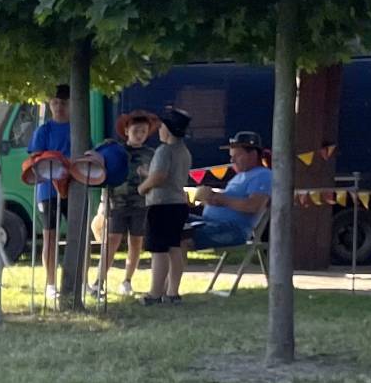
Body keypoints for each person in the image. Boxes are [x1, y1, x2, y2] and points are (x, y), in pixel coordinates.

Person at [93, 107, 157, 300]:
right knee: (111, 241)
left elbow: (157, 177)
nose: (139, 135)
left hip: (141, 205)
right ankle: (99, 281)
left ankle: (127, 280)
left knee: (136, 242)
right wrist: (103, 202)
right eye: (136, 131)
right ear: (127, 130)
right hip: (117, 203)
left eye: (143, 131)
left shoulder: (151, 154)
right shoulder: (116, 151)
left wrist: (148, 175)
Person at [139, 105, 193, 305]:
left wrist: (143, 186)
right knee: (174, 247)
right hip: (178, 204)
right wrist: (148, 173)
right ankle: (172, 292)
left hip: (161, 205)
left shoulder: (164, 150)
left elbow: (160, 177)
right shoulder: (184, 152)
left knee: (159, 250)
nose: (159, 130)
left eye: (161, 126)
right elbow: (169, 175)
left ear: (169, 129)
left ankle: (154, 293)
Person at [27, 86, 73, 304]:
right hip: (47, 190)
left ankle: (77, 281)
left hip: (73, 188)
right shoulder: (43, 131)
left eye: (63, 103)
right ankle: (51, 284)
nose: (59, 107)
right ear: (49, 104)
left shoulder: (77, 129)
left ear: (71, 104)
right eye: (55, 102)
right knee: (50, 237)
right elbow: (35, 158)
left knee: (78, 236)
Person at [191, 131, 273, 248]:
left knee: (183, 235)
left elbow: (253, 206)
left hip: (232, 230)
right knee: (172, 219)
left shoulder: (263, 175)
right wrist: (209, 198)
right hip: (211, 223)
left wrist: (218, 199)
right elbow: (228, 200)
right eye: (231, 156)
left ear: (253, 154)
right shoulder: (241, 175)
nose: (232, 160)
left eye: (237, 156)